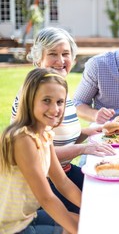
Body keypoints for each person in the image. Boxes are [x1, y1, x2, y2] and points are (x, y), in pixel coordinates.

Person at [11, 27, 116, 214]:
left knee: (111, 193)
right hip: (43, 182)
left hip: (63, 172)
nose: (60, 61)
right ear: (38, 59)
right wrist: (83, 149)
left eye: (65, 54)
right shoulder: (31, 96)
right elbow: (35, 154)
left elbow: (63, 139)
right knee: (100, 208)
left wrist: (93, 130)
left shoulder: (57, 90)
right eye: (53, 54)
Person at [1, 68, 81, 233]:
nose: (54, 109)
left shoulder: (45, 134)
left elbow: (62, 182)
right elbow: (46, 198)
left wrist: (91, 210)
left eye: (60, 102)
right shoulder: (22, 139)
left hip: (27, 216)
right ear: (30, 100)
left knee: (85, 221)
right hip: (9, 227)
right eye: (46, 100)